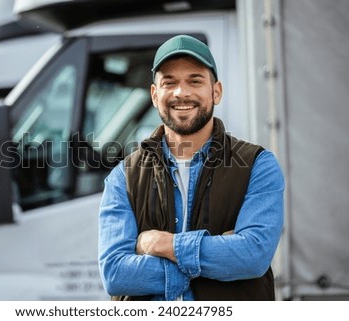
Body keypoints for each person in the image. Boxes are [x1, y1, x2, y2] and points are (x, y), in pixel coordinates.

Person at [98, 35, 284, 301]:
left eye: (195, 81)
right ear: (154, 94)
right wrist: (216, 255)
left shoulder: (257, 165)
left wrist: (161, 245)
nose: (181, 93)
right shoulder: (123, 176)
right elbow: (115, 274)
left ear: (216, 91)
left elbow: (253, 256)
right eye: (169, 83)